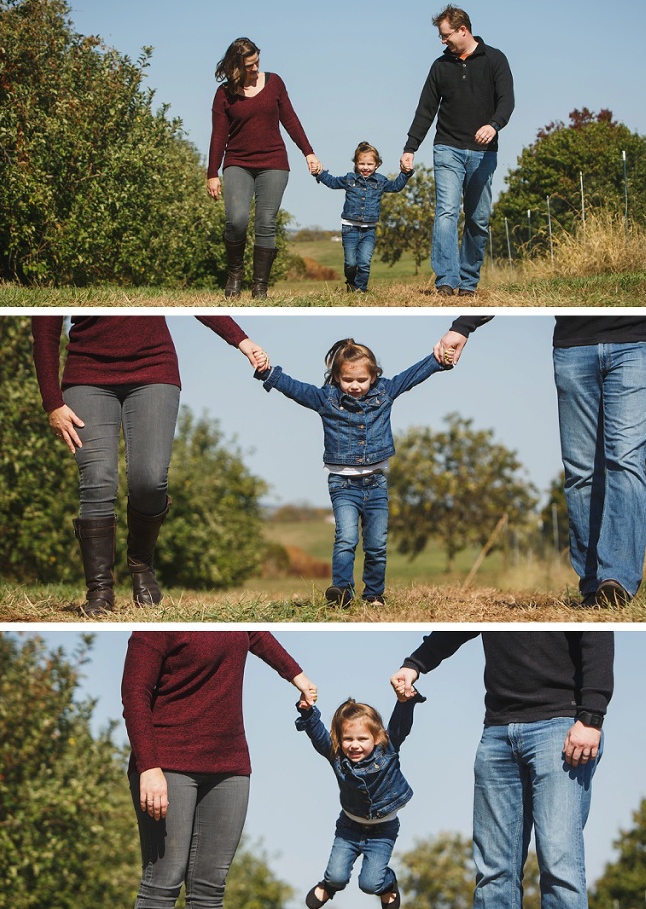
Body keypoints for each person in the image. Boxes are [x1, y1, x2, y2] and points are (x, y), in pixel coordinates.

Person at [432, 314, 646, 606]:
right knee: (580, 471)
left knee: (625, 460)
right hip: (573, 346)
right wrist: (463, 326)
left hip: (637, 343)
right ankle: (593, 584)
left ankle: (617, 580)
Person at [31, 315, 267, 617]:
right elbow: (45, 331)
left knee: (150, 479)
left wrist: (241, 340)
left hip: (154, 368)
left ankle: (141, 564)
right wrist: (52, 402)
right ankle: (100, 591)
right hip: (86, 374)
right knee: (98, 479)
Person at [391, 631, 614, 909]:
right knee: (493, 874)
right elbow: (461, 622)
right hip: (497, 732)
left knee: (560, 867)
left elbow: (595, 635)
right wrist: (415, 664)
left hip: (561, 726)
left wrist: (592, 715)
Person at [121, 631, 318, 909]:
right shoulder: (155, 627)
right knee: (164, 878)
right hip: (168, 761)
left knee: (210, 887)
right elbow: (134, 694)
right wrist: (149, 766)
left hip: (230, 764)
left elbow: (256, 633)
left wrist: (296, 674)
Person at [254, 338, 451, 607]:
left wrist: (437, 361)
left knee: (376, 546)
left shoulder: (386, 392)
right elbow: (294, 388)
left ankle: (373, 595)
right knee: (346, 538)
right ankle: (343, 592)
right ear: (336, 377)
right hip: (343, 485)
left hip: (376, 484)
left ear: (373, 376)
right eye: (348, 380)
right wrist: (267, 372)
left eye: (361, 379)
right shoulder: (326, 399)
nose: (355, 386)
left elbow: (412, 376)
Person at [401, 6, 514, 297]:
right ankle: (446, 281)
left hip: (483, 153)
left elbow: (507, 101)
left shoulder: (495, 59)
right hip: (447, 147)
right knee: (447, 212)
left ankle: (468, 281)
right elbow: (425, 109)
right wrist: (410, 147)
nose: (442, 41)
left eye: (445, 35)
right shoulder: (440, 66)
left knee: (478, 218)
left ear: (463, 30)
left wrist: (494, 124)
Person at [207, 37, 322, 300]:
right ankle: (235, 274)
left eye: (257, 62)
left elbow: (290, 119)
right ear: (236, 67)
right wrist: (212, 173)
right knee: (236, 220)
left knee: (265, 221)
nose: (256, 68)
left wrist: (309, 152)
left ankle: (260, 287)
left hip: (273, 163)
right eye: (249, 65)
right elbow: (217, 137)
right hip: (238, 163)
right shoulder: (224, 95)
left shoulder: (275, 83)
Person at [294, 692, 425, 909]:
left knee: (370, 884)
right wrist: (307, 712)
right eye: (348, 739)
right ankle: (329, 886)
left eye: (362, 739)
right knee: (336, 876)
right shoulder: (336, 756)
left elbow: (400, 725)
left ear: (377, 738)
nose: (354, 745)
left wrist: (405, 703)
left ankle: (388, 883)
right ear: (339, 739)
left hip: (383, 832)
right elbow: (318, 736)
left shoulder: (388, 749)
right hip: (349, 828)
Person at [314, 141, 414, 292]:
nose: (365, 167)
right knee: (351, 263)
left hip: (369, 230)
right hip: (349, 228)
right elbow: (333, 182)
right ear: (355, 163)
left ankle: (360, 291)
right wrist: (319, 173)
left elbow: (396, 187)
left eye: (369, 164)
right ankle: (351, 282)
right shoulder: (349, 179)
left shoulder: (380, 181)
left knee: (364, 262)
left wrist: (405, 173)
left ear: (377, 165)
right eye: (361, 163)